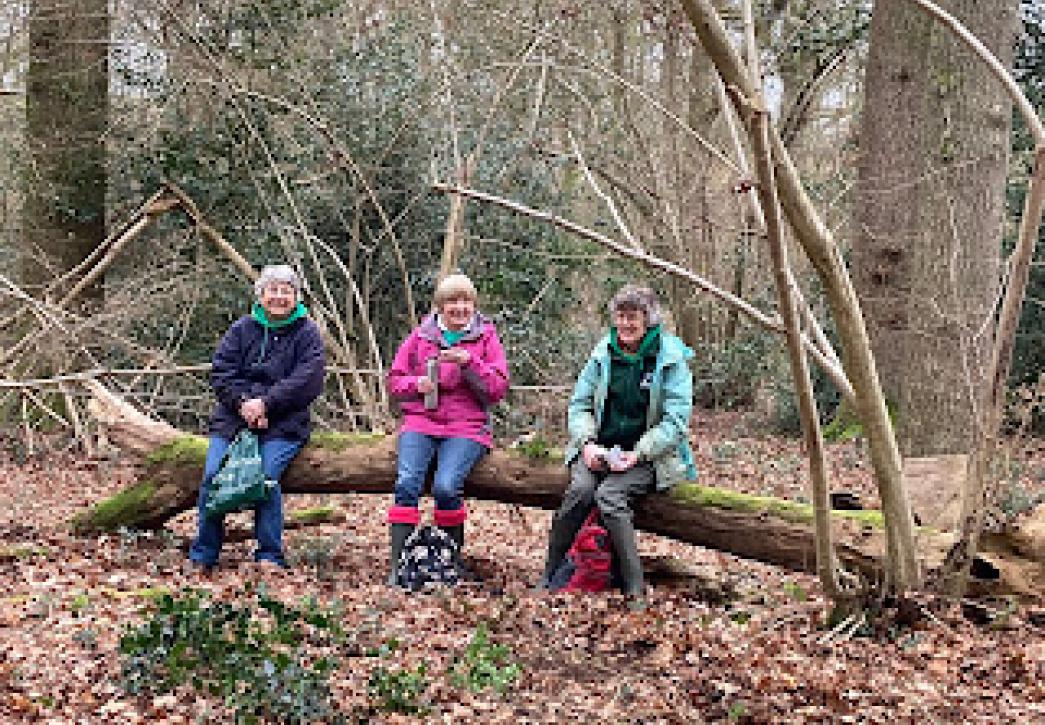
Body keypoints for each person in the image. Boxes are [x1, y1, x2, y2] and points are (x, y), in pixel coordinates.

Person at [539, 285, 696, 608]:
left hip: (650, 456)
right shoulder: (602, 354)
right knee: (581, 490)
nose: (625, 324)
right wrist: (587, 444)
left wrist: (639, 453)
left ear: (648, 320)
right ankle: (549, 574)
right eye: (620, 316)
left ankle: (633, 586)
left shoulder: (670, 359)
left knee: (610, 496)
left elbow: (676, 422)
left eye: (633, 317)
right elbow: (579, 404)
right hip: (600, 449)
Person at [188, 264, 326, 572]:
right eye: (272, 290)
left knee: (265, 478)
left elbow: (308, 380)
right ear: (261, 295)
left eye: (285, 291)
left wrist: (267, 404)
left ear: (296, 296)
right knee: (213, 476)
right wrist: (244, 404)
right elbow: (222, 372)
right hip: (234, 419)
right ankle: (204, 553)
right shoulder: (242, 329)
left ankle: (269, 555)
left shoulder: (307, 334)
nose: (278, 296)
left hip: (284, 424)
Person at [386, 273, 510, 584]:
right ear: (440, 306)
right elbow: (394, 381)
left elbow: (497, 389)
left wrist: (470, 363)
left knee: (445, 487)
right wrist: (418, 384)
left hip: (467, 427)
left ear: (474, 305)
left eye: (465, 301)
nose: (460, 307)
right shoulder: (420, 336)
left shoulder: (486, 337)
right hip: (420, 421)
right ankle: (399, 567)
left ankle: (448, 561)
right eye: (452, 301)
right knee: (407, 484)